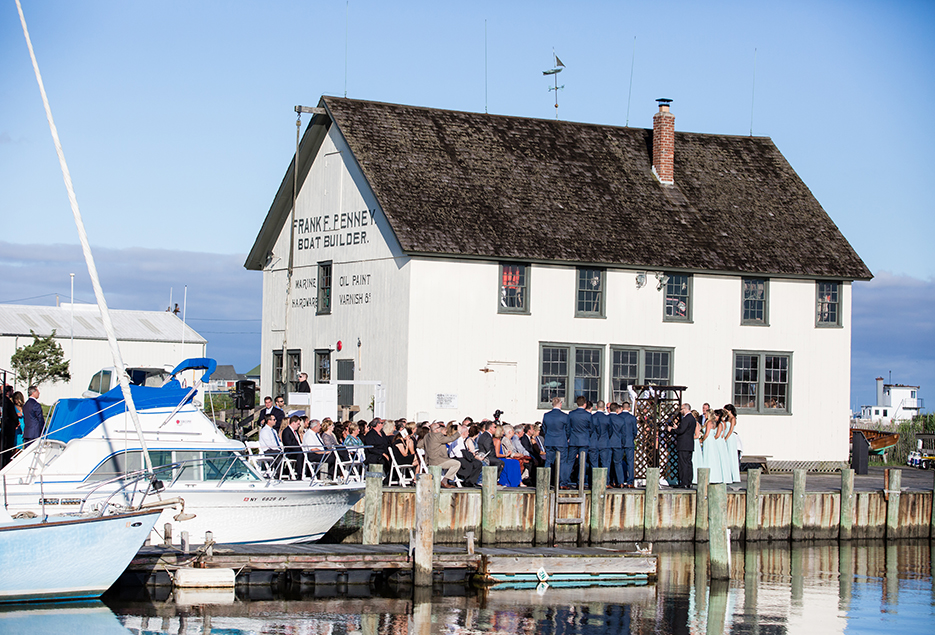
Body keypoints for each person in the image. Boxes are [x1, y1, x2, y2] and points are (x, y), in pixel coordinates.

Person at [418, 421, 461, 488]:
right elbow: (451, 439)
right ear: (436, 429)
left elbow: (419, 445)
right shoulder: (438, 435)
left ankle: (445, 480)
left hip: (429, 461)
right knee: (456, 464)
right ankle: (445, 481)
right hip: (438, 461)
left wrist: (428, 449)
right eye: (439, 427)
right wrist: (459, 432)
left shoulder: (427, 436)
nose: (441, 428)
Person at [668, 402, 696, 489]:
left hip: (683, 444)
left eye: (681, 409)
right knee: (688, 463)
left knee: (683, 464)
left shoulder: (686, 419)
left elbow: (681, 431)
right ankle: (688, 481)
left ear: (685, 409)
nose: (680, 411)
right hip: (689, 444)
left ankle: (683, 482)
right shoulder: (692, 419)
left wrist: (671, 430)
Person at [541, 397, 569, 485]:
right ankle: (562, 482)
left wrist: (548, 435)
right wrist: (565, 437)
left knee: (549, 461)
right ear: (560, 404)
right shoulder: (565, 416)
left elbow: (544, 428)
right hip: (561, 441)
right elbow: (568, 430)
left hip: (549, 440)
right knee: (562, 462)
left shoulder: (546, 415)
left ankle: (546, 481)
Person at [567, 396, 591, 488]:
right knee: (582, 462)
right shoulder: (588, 415)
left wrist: (569, 436)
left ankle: (564, 481)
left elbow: (568, 428)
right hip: (584, 440)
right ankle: (580, 482)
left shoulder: (571, 414)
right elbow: (591, 428)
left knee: (570, 462)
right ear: (585, 404)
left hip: (573, 440)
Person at [591, 400, 611, 486]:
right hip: (604, 442)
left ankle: (594, 482)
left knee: (594, 463)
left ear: (596, 407)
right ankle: (605, 482)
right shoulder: (607, 418)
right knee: (605, 463)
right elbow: (610, 431)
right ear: (604, 408)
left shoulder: (592, 417)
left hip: (594, 442)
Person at [281, 414, 305, 479]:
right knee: (300, 454)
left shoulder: (295, 432)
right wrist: (299, 448)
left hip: (296, 450)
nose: (299, 426)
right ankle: (299, 474)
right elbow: (288, 444)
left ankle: (306, 472)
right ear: (293, 423)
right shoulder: (286, 431)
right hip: (290, 452)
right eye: (298, 424)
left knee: (304, 453)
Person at [722, 403, 741, 482]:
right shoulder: (726, 419)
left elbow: (731, 430)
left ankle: (734, 475)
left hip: (730, 438)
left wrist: (726, 438)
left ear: (729, 411)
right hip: (725, 436)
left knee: (731, 455)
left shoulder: (733, 419)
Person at [1, 385, 17, 468]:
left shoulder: (2, 401)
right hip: (8, 428)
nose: (13, 393)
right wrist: (16, 421)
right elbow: (12, 414)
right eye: (12, 391)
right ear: (8, 392)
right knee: (7, 448)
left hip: (5, 427)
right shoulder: (7, 402)